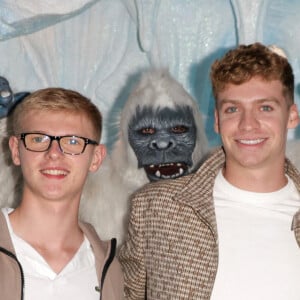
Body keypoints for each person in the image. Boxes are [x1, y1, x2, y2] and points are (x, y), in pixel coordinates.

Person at [118, 42, 300, 300]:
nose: (248, 124)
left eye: (265, 108)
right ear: (216, 120)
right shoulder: (155, 208)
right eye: (233, 109)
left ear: (292, 116)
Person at [0, 88, 124, 300]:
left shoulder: (109, 268)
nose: (54, 154)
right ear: (15, 150)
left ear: (96, 158)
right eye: (38, 139)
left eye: (73, 142)